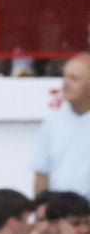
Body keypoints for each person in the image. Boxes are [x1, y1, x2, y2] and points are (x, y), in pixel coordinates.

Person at [33, 55, 90, 198]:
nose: (65, 84)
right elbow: (41, 173)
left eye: (74, 79)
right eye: (64, 77)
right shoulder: (52, 122)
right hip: (59, 215)